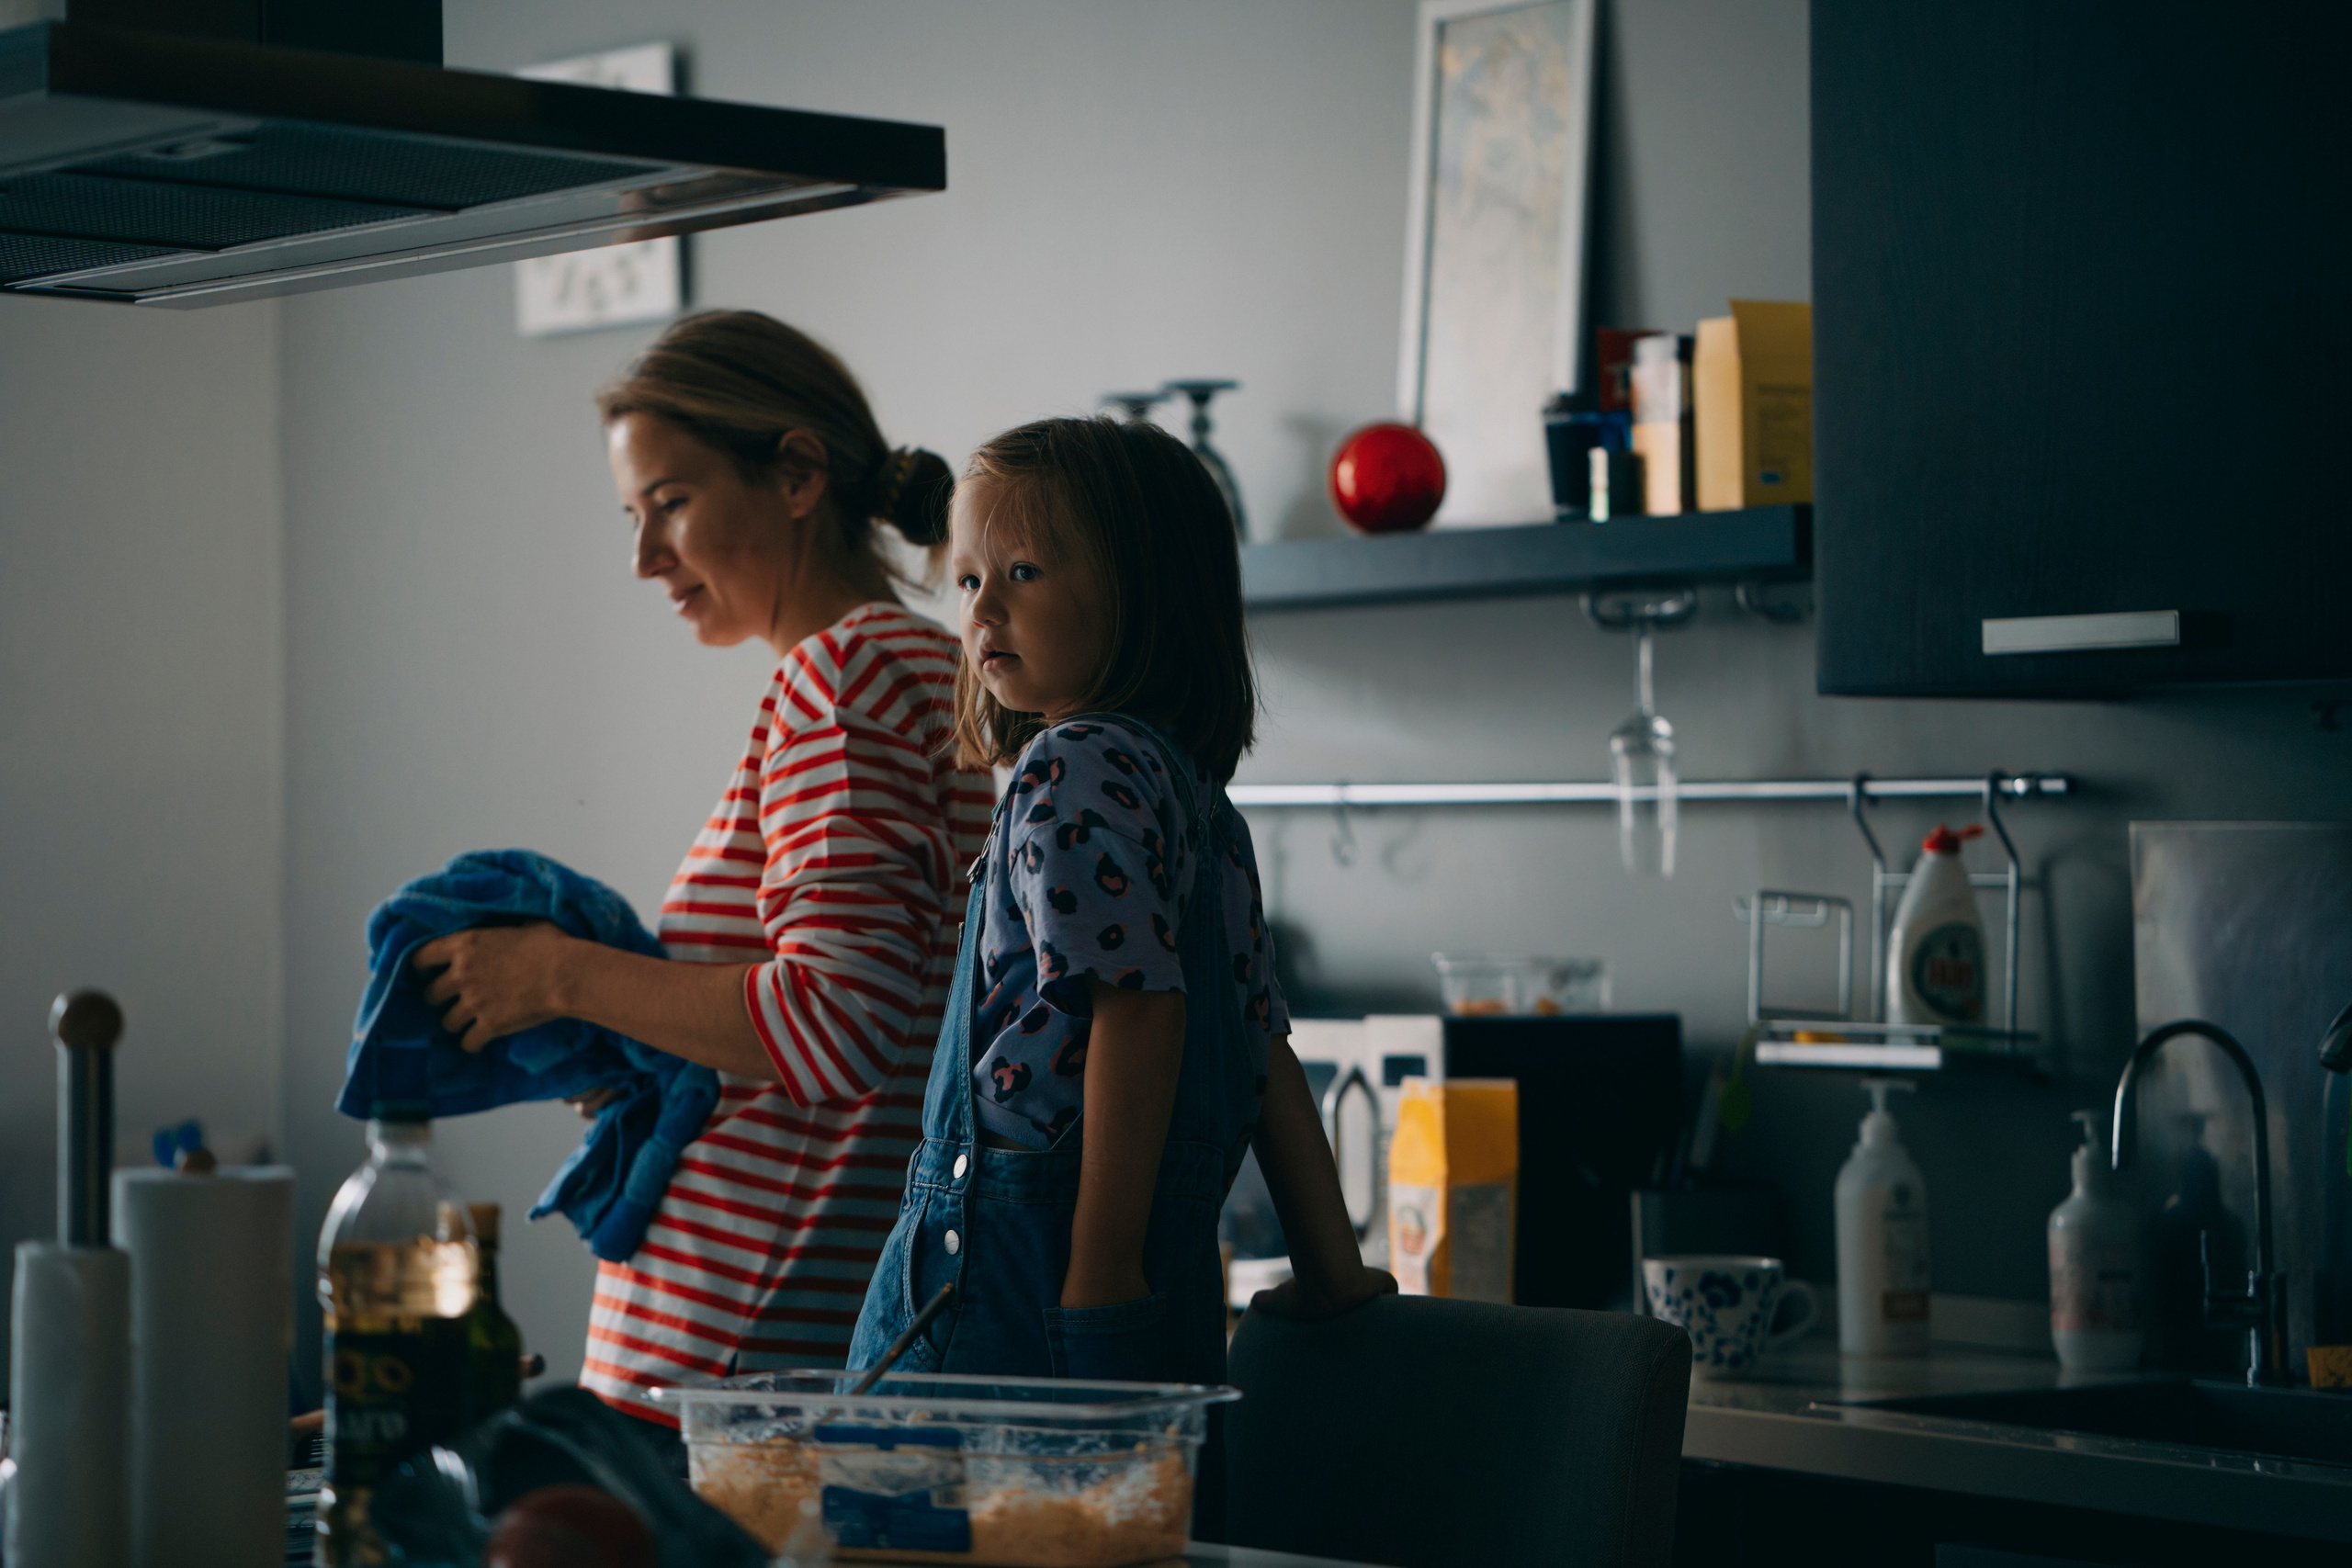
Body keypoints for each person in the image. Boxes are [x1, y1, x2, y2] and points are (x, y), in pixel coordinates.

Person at [410, 311, 990, 1432]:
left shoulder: (838, 682)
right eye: (633, 517)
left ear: (797, 476)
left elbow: (832, 1024)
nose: (644, 559)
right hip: (799, 1332)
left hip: (728, 1356)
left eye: (669, 503)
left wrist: (557, 977)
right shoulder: (928, 669)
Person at [846, 417, 1392, 1503]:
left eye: (1022, 572)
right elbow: (1261, 1049)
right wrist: (1331, 1272)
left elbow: (1137, 1009)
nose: (979, 611)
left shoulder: (1069, 767)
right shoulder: (1202, 803)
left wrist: (1099, 1276)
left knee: (909, 1532)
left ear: (1142, 595)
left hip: (1027, 1272)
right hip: (1161, 1272)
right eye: (968, 580)